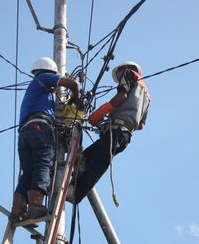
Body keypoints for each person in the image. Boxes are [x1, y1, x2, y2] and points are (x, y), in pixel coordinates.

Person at [10, 57, 82, 222]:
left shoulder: (38, 92)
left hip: (25, 133)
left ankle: (18, 209)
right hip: (39, 127)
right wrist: (76, 99)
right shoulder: (43, 78)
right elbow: (73, 85)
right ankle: (35, 205)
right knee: (43, 163)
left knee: (28, 171)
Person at [69, 61, 151, 204]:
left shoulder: (129, 74)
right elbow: (141, 125)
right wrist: (115, 121)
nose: (118, 77)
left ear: (125, 69)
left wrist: (99, 114)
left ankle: (76, 193)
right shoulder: (147, 96)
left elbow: (121, 97)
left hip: (117, 132)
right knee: (84, 157)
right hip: (124, 135)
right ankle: (73, 182)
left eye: (118, 74)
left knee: (97, 162)